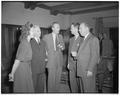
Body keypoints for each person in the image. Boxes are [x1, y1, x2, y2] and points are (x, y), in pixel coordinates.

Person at [72, 22, 100, 92]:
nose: (79, 30)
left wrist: (90, 69)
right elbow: (83, 54)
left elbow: (95, 56)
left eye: (80, 28)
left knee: (88, 90)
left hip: (87, 70)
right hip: (82, 70)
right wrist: (76, 55)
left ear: (87, 29)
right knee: (83, 90)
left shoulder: (93, 39)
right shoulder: (84, 39)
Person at [9, 22, 34, 92]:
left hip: (26, 68)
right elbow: (17, 60)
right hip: (21, 69)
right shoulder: (24, 43)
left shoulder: (28, 42)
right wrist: (12, 74)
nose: (34, 32)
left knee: (27, 88)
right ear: (27, 32)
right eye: (32, 30)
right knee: (22, 89)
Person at [43, 22, 65, 92]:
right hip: (51, 61)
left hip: (59, 61)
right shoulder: (46, 37)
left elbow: (63, 47)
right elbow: (43, 48)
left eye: (59, 27)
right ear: (53, 28)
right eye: (57, 27)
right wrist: (45, 55)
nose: (59, 29)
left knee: (57, 79)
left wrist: (62, 47)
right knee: (51, 80)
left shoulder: (60, 36)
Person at [30, 25, 47, 93]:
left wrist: (46, 59)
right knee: (33, 87)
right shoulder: (30, 42)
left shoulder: (43, 42)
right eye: (37, 31)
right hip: (33, 69)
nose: (40, 32)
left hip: (42, 68)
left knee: (41, 87)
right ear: (33, 32)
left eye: (40, 30)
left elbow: (45, 54)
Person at [67, 23, 83, 92]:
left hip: (79, 64)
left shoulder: (82, 39)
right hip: (71, 64)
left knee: (79, 84)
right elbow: (68, 53)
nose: (70, 30)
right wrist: (68, 63)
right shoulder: (71, 39)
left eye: (71, 28)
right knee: (72, 82)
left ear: (76, 29)